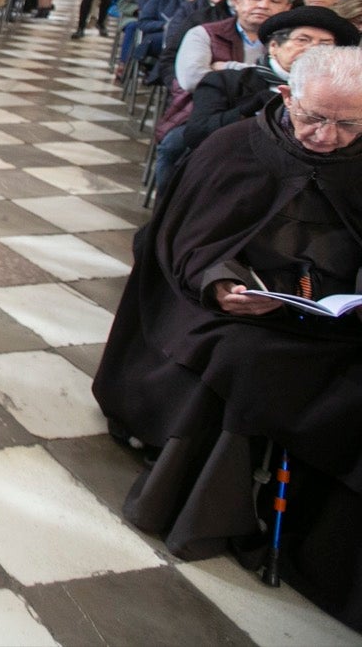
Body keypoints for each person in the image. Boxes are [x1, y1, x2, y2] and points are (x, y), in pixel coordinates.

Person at [93, 46, 362, 633]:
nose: (327, 135)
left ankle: (319, 533)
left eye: (348, 124)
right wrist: (223, 285)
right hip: (226, 304)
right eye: (315, 116)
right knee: (245, 358)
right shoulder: (235, 146)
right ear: (287, 96)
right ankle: (208, 502)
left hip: (334, 314)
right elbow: (184, 239)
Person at [182, 6, 359, 153]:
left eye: (324, 44)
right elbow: (196, 135)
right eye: (302, 40)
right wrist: (250, 107)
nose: (313, 49)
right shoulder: (226, 81)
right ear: (274, 47)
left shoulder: (349, 92)